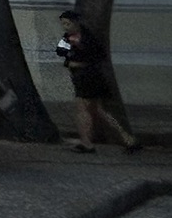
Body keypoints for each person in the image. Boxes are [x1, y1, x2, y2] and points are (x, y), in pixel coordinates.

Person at [54, 9, 139, 153]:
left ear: (75, 23)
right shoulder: (68, 37)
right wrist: (69, 52)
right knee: (98, 111)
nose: (65, 27)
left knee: (83, 109)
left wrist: (78, 62)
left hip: (89, 77)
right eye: (63, 24)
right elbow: (60, 51)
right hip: (82, 77)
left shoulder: (87, 38)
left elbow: (96, 55)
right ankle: (127, 139)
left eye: (68, 24)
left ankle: (87, 143)